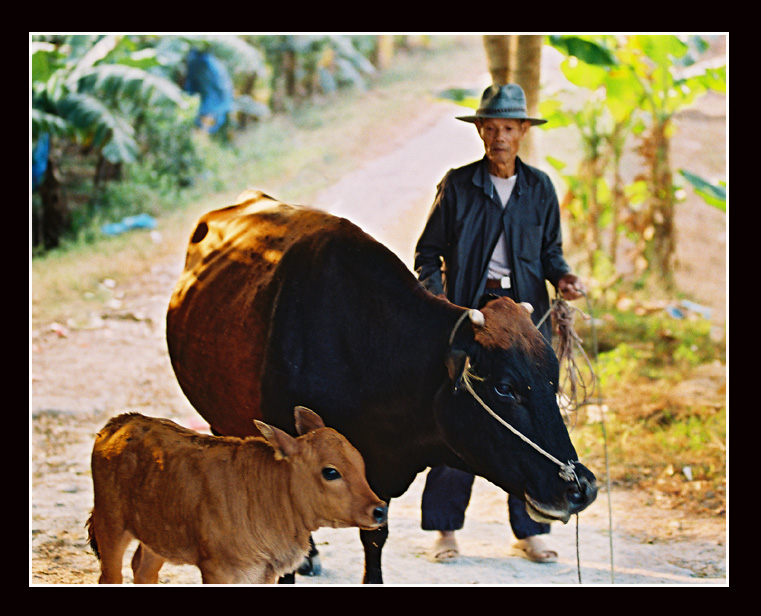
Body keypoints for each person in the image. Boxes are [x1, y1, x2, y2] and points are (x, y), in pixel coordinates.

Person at [414, 83, 585, 564]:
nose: (499, 136)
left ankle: (530, 529)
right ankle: (445, 530)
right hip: (471, 314)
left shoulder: (539, 188)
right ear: (481, 131)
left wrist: (565, 279)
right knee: (462, 413)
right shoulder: (458, 184)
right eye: (491, 127)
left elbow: (550, 253)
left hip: (526, 318)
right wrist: (441, 302)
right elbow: (427, 253)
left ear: (524, 131)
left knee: (532, 418)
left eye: (509, 127)